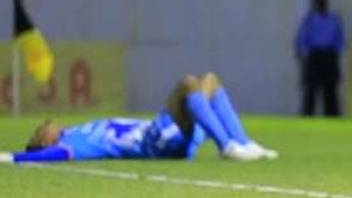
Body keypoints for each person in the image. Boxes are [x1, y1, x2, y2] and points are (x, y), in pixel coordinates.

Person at [0, 72, 276, 163]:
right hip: (158, 140)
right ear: (48, 141)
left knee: (211, 81)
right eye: (41, 131)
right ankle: (227, 147)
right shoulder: (78, 141)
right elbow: (58, 156)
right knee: (189, 84)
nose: (46, 126)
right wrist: (13, 157)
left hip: (167, 136)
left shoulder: (81, 129)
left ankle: (241, 142)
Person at [296, 0, 344, 117]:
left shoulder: (334, 19)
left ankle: (332, 116)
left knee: (330, 89)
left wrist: (337, 52)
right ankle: (307, 115)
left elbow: (339, 38)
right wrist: (304, 53)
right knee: (311, 88)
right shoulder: (310, 20)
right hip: (315, 55)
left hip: (329, 55)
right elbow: (303, 38)